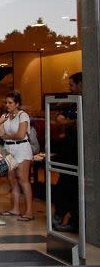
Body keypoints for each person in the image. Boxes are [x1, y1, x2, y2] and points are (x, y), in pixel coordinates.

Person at [53, 72, 82, 232]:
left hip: (80, 153)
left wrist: (69, 124)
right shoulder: (73, 104)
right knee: (64, 185)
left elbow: (79, 124)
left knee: (73, 187)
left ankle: (74, 220)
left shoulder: (87, 102)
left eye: (72, 85)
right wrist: (71, 123)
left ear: (81, 84)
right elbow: (59, 121)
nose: (69, 88)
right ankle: (62, 215)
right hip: (69, 154)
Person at [0, 91, 34, 222]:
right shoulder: (5, 116)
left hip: (22, 148)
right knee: (12, 179)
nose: (7, 105)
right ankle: (15, 208)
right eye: (6, 102)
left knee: (23, 178)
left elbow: (21, 134)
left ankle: (29, 211)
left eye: (10, 102)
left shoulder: (23, 115)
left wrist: (7, 136)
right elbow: (1, 133)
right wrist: (0, 120)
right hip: (9, 149)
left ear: (17, 104)